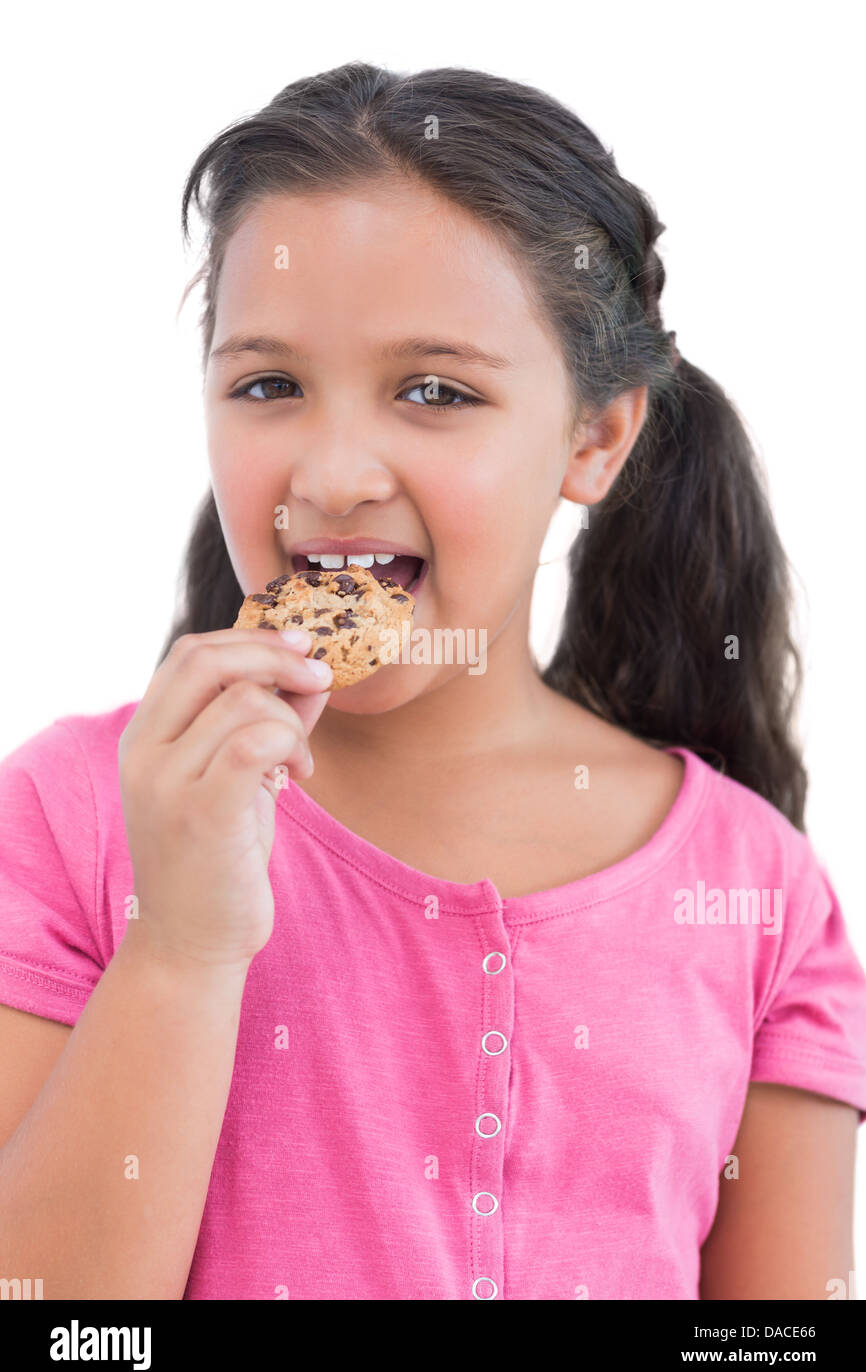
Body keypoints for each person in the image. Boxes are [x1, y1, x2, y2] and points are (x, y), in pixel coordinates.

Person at [1, 62, 864, 1302]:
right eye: (268, 384)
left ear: (593, 435)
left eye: (434, 391)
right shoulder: (68, 816)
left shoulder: (753, 894)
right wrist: (181, 949)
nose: (336, 469)